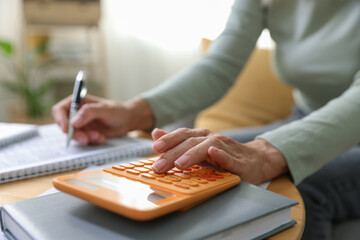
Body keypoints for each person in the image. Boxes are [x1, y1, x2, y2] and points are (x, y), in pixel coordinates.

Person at [52, 0, 360, 239]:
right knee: (206, 158)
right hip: (307, 118)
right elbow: (220, 65)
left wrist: (268, 152)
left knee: (305, 189)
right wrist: (133, 112)